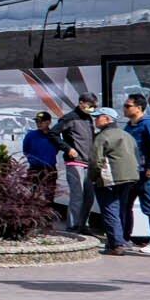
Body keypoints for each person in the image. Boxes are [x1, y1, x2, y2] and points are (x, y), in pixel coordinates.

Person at [88, 107, 144, 254]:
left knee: (110, 210)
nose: (95, 120)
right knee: (121, 209)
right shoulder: (127, 135)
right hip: (130, 177)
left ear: (107, 119)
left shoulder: (102, 136)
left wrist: (93, 178)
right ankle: (122, 239)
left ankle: (117, 244)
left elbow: (95, 161)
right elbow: (137, 155)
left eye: (97, 117)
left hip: (110, 178)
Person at [122, 93, 150, 246]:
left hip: (145, 174)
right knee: (125, 206)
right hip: (131, 173)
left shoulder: (148, 124)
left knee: (149, 207)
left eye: (128, 106)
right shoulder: (129, 125)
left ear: (139, 108)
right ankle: (125, 238)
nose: (124, 109)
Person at [55, 93, 101, 233]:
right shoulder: (70, 118)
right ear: (81, 103)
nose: (92, 109)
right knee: (77, 195)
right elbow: (53, 134)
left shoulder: (88, 118)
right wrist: (68, 148)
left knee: (89, 197)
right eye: (90, 106)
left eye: (94, 106)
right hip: (75, 162)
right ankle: (73, 226)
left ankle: (83, 224)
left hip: (88, 163)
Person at [19, 112, 60, 199]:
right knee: (31, 195)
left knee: (49, 195)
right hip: (35, 169)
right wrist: (33, 160)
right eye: (37, 122)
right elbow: (26, 150)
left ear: (49, 122)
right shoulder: (31, 135)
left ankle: (48, 210)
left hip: (50, 169)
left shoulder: (54, 136)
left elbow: (57, 149)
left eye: (41, 122)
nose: (39, 124)